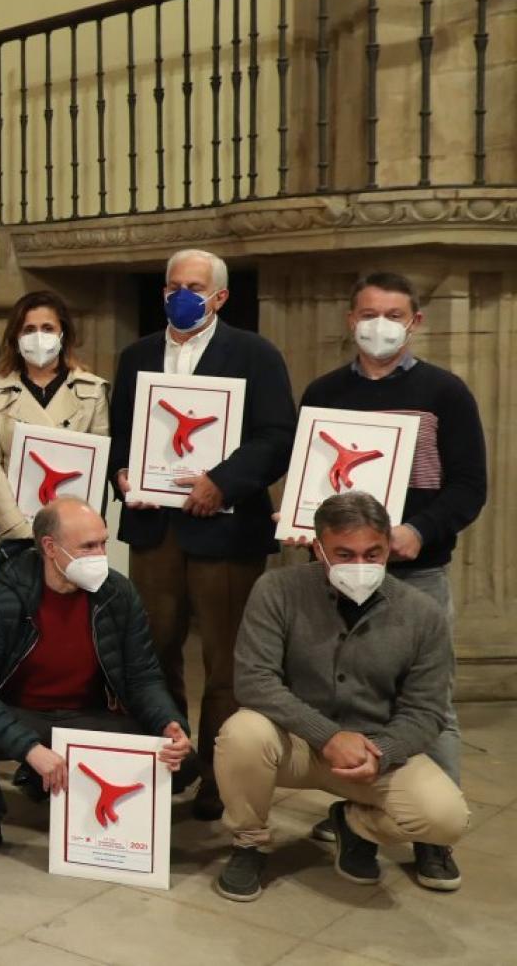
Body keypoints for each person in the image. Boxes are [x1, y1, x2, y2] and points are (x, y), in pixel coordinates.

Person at [293, 271, 482, 885]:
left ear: (415, 322)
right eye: (369, 313)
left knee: (430, 702)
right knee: (336, 692)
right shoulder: (322, 392)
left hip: (415, 575)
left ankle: (430, 837)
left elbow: (468, 487)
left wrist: (418, 531)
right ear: (351, 320)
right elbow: (308, 482)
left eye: (393, 314)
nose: (380, 325)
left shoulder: (445, 392)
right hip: (332, 578)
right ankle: (359, 809)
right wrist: (300, 520)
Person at [108, 249, 296, 820]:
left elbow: (276, 436)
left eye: (194, 286)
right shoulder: (137, 354)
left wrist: (223, 483)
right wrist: (121, 474)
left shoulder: (255, 353)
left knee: (227, 662)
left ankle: (220, 773)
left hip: (225, 529)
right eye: (172, 285)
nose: (181, 294)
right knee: (153, 650)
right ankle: (174, 761)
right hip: (153, 528)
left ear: (220, 297)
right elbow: (121, 435)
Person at [213, 492, 468, 902]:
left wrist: (382, 751)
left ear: (389, 548)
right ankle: (249, 842)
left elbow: (425, 712)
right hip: (291, 742)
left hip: (371, 751)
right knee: (242, 732)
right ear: (319, 549)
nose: (360, 566)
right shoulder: (277, 589)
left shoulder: (423, 615)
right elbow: (255, 680)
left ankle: (354, 824)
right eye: (344, 554)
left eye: (373, 554)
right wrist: (328, 736)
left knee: (447, 818)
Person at [0, 498, 191, 851]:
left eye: (103, 543)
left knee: (181, 759)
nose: (100, 554)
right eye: (88, 546)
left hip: (87, 716)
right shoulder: (3, 596)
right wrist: (27, 747)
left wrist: (168, 722)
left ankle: (73, 800)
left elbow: (143, 676)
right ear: (49, 548)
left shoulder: (118, 594)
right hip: (20, 714)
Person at [0, 291, 110, 583]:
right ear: (15, 337)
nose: (38, 337)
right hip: (11, 535)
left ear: (63, 334)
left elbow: (98, 468)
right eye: (29, 329)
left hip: (71, 540)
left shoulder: (93, 391)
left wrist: (77, 531)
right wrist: (19, 531)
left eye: (47, 329)